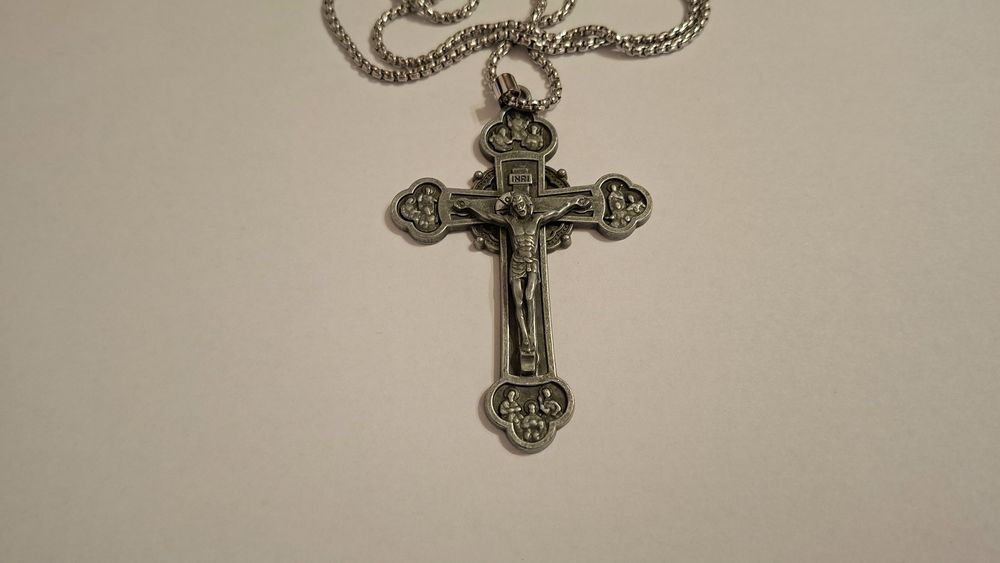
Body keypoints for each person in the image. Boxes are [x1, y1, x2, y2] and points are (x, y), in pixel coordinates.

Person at [453, 192, 591, 362]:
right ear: (513, 209)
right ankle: (525, 337)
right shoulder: (510, 222)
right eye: (516, 206)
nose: (520, 208)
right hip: (517, 263)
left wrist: (573, 203)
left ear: (527, 203)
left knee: (529, 297)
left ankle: (532, 335)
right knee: (518, 302)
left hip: (531, 262)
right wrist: (469, 207)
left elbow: (556, 213)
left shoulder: (537, 220)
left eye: (522, 204)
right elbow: (488, 217)